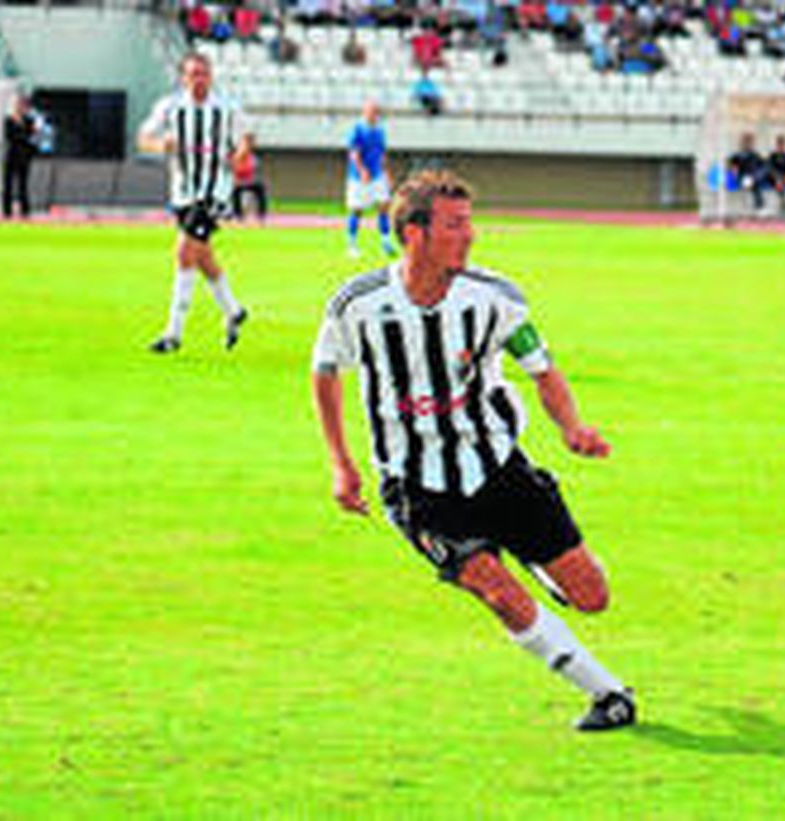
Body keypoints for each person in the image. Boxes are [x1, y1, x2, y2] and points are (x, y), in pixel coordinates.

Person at [311, 169, 636, 731]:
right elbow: (324, 374)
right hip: (417, 486)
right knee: (496, 590)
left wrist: (572, 428)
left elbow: (542, 369)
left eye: (469, 223)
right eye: (455, 225)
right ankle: (609, 694)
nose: (471, 235)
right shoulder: (357, 305)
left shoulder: (494, 298)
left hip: (499, 470)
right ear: (415, 233)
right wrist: (342, 463)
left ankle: (538, 563)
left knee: (592, 596)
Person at [137, 51, 252, 354]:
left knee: (184, 251)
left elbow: (246, 138)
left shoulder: (226, 107)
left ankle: (173, 333)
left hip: (215, 190)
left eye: (204, 73)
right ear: (183, 77)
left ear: (211, 76)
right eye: (193, 74)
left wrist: (240, 154)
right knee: (202, 257)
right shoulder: (171, 107)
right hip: (182, 192)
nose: (199, 79)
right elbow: (143, 138)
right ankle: (234, 311)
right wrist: (161, 144)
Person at [346, 100, 395, 258]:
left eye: (376, 112)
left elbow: (381, 154)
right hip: (359, 177)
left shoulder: (380, 131)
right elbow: (354, 153)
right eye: (371, 111)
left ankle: (386, 242)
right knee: (357, 210)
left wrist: (386, 173)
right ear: (365, 112)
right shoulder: (358, 129)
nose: (374, 115)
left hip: (377, 175)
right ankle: (352, 244)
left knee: (383, 207)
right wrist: (362, 170)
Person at [1, 94, 38, 219]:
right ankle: (7, 211)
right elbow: (9, 137)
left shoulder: (29, 121)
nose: (21, 108)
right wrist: (22, 135)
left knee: (23, 184)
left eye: (24, 106)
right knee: (8, 184)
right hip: (11, 154)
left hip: (24, 156)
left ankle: (25, 211)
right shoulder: (9, 120)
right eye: (19, 105)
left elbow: (31, 137)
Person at [727, 132, 772, 211]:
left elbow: (765, 166)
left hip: (755, 178)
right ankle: (759, 203)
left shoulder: (755, 155)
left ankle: (759, 204)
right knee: (753, 181)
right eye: (747, 142)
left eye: (751, 142)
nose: (749, 144)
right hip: (743, 180)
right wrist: (734, 172)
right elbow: (732, 168)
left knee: (765, 170)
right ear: (742, 143)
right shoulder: (737, 155)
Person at [231, 142, 268, 222]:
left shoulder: (253, 158)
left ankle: (261, 215)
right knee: (235, 192)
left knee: (261, 189)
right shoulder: (236, 158)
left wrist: (251, 178)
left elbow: (253, 170)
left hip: (252, 182)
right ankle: (238, 215)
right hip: (240, 183)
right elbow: (237, 171)